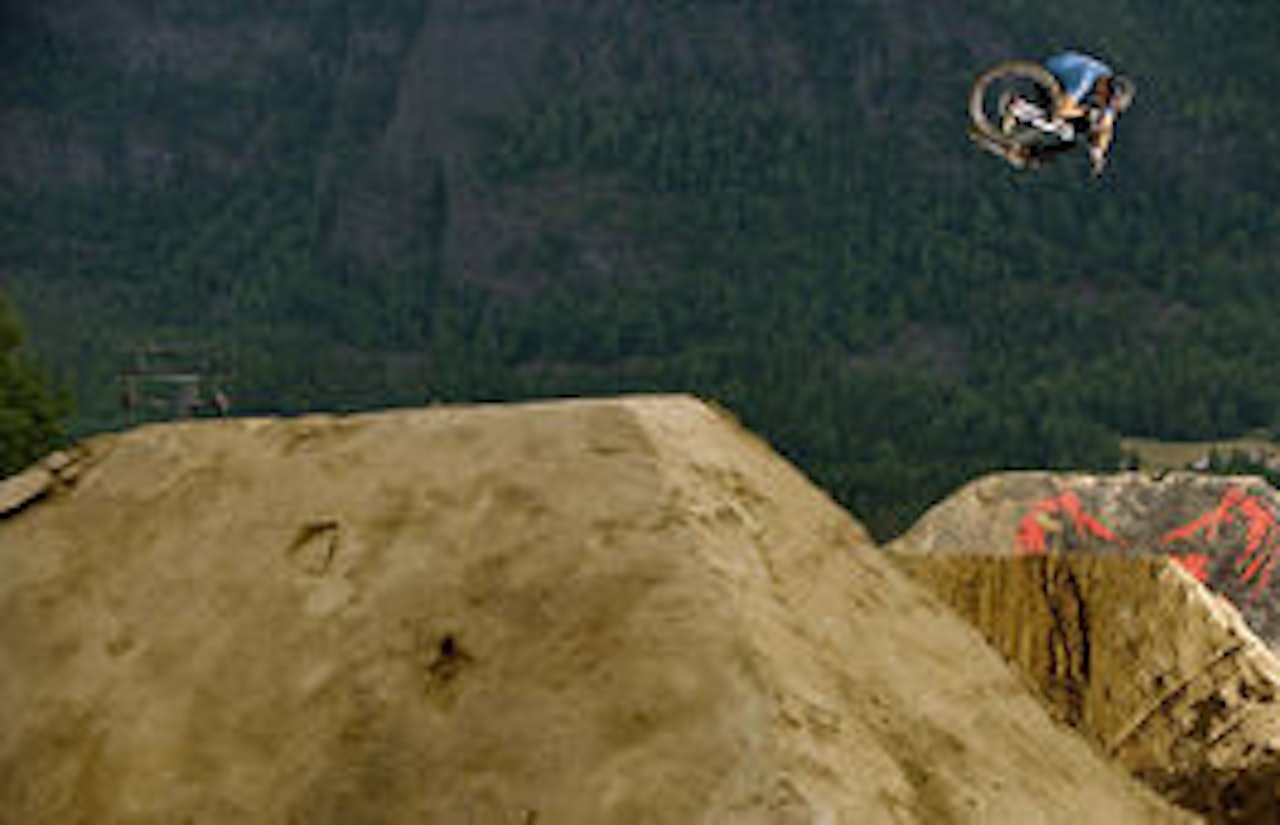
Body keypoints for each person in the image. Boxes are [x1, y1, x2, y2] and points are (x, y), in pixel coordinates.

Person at [1004, 50, 1133, 175]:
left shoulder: (1107, 89)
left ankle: (1031, 151)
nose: (1103, 102)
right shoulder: (1084, 80)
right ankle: (1018, 108)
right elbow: (1063, 110)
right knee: (1060, 118)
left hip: (1069, 78)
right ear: (1105, 86)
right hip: (1051, 76)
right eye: (1105, 99)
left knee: (1076, 134)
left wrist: (1098, 152)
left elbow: (1106, 127)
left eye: (1107, 102)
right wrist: (1085, 111)